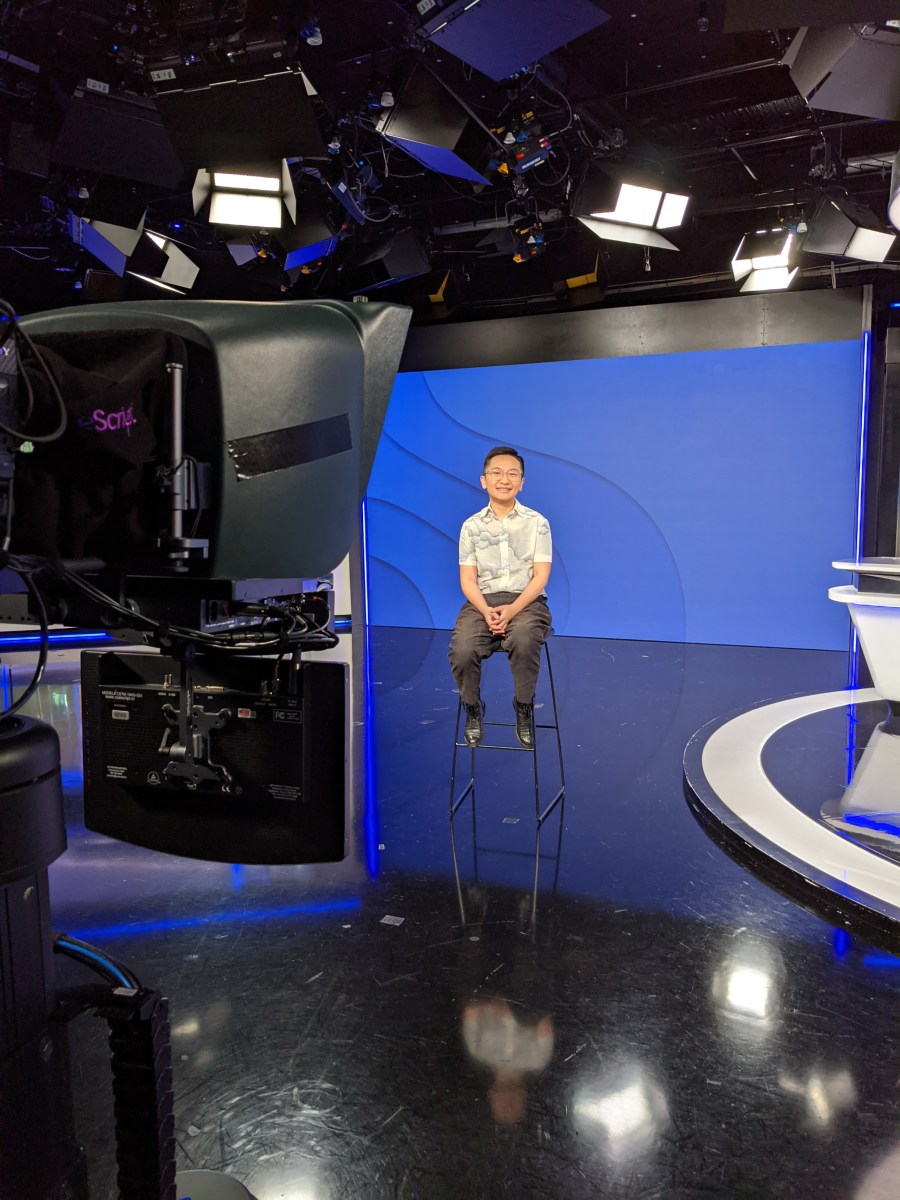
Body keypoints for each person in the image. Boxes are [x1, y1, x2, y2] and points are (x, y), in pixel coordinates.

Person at [448, 446, 552, 750]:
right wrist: (486, 609)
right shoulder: (471, 526)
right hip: (482, 602)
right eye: (496, 472)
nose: (503, 479)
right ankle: (472, 707)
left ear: (521, 483)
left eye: (512, 474)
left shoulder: (537, 523)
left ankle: (523, 706)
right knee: (463, 648)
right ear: (483, 480)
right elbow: (468, 580)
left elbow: (540, 577)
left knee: (523, 638)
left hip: (527, 601)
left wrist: (511, 611)